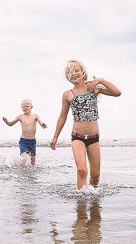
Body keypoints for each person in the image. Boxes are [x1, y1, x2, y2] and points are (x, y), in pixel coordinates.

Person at [50, 60, 121, 189]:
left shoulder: (93, 88)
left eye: (76, 70)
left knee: (95, 176)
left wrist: (100, 80)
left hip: (94, 138)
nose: (73, 74)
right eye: (70, 72)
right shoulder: (67, 94)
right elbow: (62, 117)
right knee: (81, 170)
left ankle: (93, 199)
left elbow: (117, 93)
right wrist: (55, 137)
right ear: (67, 77)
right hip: (78, 137)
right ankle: (80, 202)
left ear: (83, 72)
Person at [2, 99, 47, 165]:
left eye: (27, 106)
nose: (25, 107)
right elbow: (10, 124)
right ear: (21, 107)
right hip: (23, 141)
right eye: (23, 106)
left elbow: (41, 123)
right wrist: (6, 122)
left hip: (32, 141)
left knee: (33, 162)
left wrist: (43, 125)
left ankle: (29, 172)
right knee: (24, 157)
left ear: (31, 107)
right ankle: (22, 169)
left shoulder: (35, 116)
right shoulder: (20, 117)